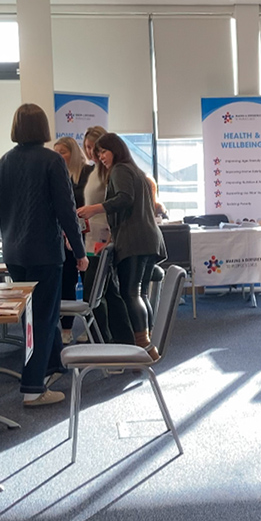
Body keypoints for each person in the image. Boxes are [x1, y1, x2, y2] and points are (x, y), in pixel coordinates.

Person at [0, 104, 88, 407]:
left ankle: (53, 364)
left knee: (35, 315)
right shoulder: (52, 161)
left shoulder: (4, 161)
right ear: (43, 127)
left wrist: (16, 211)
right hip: (44, 250)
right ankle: (33, 386)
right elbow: (66, 211)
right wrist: (80, 252)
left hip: (15, 252)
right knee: (42, 317)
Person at [77, 133, 168, 361]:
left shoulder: (120, 170)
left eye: (103, 152)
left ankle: (143, 346)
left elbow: (124, 199)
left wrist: (94, 209)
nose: (100, 157)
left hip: (135, 241)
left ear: (115, 150)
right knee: (140, 293)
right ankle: (147, 346)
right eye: (97, 154)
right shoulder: (135, 171)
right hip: (148, 239)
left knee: (131, 293)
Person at [81, 126, 132, 345]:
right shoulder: (92, 172)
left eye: (95, 148)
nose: (91, 153)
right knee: (107, 293)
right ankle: (119, 341)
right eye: (87, 148)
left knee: (96, 295)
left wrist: (109, 238)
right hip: (91, 238)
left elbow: (117, 204)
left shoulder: (112, 173)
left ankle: (106, 341)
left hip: (104, 239)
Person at [54, 136, 96, 342]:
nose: (58, 156)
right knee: (67, 283)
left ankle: (93, 330)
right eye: (56, 152)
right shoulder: (57, 175)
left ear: (74, 152)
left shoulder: (90, 173)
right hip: (65, 237)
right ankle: (66, 330)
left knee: (91, 284)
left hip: (90, 236)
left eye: (62, 152)